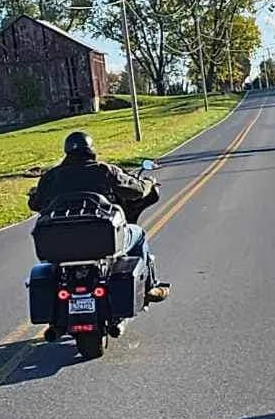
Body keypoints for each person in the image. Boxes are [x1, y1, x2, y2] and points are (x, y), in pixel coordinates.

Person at [27, 129, 169, 308]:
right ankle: (150, 287)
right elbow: (137, 191)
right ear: (90, 149)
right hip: (102, 243)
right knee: (138, 234)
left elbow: (35, 204)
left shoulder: (51, 177)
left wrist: (34, 194)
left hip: (61, 248)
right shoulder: (104, 171)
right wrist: (149, 183)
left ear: (67, 151)